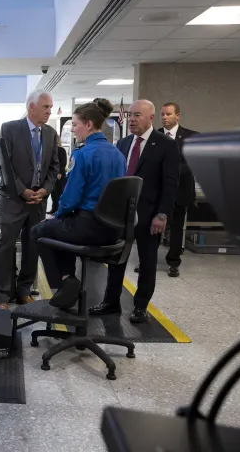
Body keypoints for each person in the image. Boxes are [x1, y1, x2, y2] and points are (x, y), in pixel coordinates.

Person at [90, 99, 180, 324]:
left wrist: (162, 215)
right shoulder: (123, 144)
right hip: (121, 216)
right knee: (116, 260)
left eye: (137, 115)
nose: (132, 120)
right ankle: (111, 302)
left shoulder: (165, 145)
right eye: (130, 115)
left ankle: (140, 306)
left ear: (151, 117)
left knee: (147, 262)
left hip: (149, 216)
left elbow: (170, 184)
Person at [31, 103, 126, 309]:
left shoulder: (82, 154)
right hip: (114, 231)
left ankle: (65, 282)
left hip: (88, 226)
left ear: (89, 125)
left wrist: (58, 213)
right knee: (60, 231)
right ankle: (68, 281)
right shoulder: (118, 154)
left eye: (74, 124)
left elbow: (70, 198)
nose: (72, 129)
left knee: (39, 230)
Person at [0, 90, 60, 310]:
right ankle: (2, 295)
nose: (49, 111)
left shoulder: (50, 133)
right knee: (7, 246)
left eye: (50, 107)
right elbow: (5, 165)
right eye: (46, 107)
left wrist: (44, 190)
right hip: (14, 199)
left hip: (38, 201)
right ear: (31, 107)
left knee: (33, 246)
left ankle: (23, 291)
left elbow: (54, 167)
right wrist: (22, 191)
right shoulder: (10, 129)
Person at [157, 102, 199, 278]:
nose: (165, 118)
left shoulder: (191, 137)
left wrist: (169, 169)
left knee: (176, 228)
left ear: (178, 116)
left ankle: (173, 261)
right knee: (153, 228)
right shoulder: (155, 136)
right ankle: (147, 261)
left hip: (180, 191)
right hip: (158, 191)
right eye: (163, 114)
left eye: (168, 114)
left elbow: (193, 163)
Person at [49, 145, 67, 215]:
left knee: (59, 193)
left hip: (60, 175)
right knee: (53, 193)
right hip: (52, 174)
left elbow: (63, 162)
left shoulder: (61, 150)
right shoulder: (51, 149)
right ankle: (54, 208)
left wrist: (60, 172)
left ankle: (58, 210)